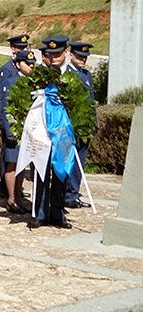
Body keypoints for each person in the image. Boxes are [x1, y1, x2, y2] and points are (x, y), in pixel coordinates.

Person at [29, 36, 74, 229]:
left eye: (58, 53)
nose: (54, 57)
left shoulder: (74, 77)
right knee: (40, 173)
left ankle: (58, 213)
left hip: (63, 132)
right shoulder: (39, 76)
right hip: (41, 132)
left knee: (61, 173)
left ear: (66, 52)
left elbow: (82, 106)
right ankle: (39, 213)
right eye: (51, 53)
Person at [0, 49, 36, 213]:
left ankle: (18, 197)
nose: (31, 67)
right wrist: (9, 131)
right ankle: (11, 199)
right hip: (14, 130)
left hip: (28, 131)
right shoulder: (10, 82)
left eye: (32, 64)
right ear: (18, 64)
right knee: (12, 164)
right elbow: (5, 108)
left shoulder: (32, 82)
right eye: (27, 63)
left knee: (22, 165)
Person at [64, 41, 95, 208]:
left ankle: (73, 193)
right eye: (80, 56)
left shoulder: (86, 75)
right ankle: (67, 194)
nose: (83, 60)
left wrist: (93, 122)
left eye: (85, 57)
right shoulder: (66, 75)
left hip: (85, 127)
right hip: (71, 127)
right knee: (69, 161)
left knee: (79, 162)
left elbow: (91, 101)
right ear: (70, 54)